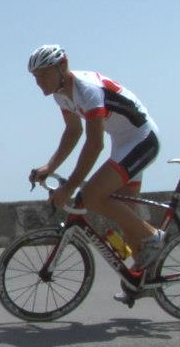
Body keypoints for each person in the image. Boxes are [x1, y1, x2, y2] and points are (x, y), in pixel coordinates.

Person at [27, 44, 164, 275]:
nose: (39, 82)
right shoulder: (61, 95)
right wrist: (50, 166)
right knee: (127, 221)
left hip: (142, 140)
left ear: (62, 66)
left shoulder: (88, 90)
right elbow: (73, 131)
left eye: (43, 74)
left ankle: (153, 236)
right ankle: (143, 282)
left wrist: (69, 188)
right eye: (35, 77)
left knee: (90, 196)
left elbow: (94, 144)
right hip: (122, 143)